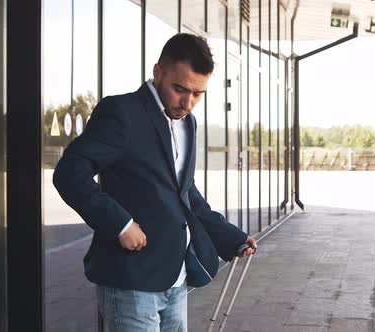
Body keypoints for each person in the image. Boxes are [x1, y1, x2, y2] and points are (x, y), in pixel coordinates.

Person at [53, 33, 256, 331]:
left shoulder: (187, 123)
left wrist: (229, 237)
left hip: (175, 276)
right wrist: (120, 224)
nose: (188, 103)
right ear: (158, 72)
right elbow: (69, 172)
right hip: (131, 279)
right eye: (179, 89)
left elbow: (183, 193)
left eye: (198, 94)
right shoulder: (121, 112)